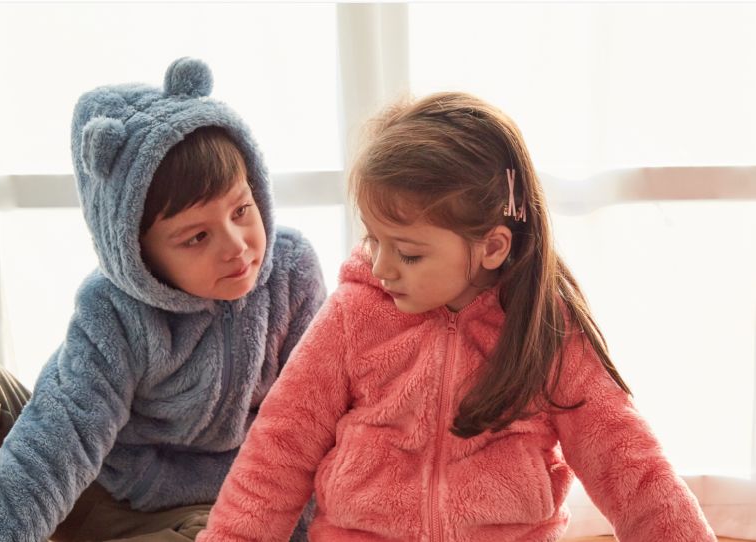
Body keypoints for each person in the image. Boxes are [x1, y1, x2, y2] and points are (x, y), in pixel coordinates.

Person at [196, 92, 716, 542]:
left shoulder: (545, 328)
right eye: (374, 240)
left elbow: (629, 465)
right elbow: (278, 450)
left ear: (492, 247)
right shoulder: (353, 314)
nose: (381, 267)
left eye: (408, 253)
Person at [0, 57, 325, 542]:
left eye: (242, 210)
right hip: (96, 482)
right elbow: (60, 436)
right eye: (197, 237)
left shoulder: (291, 272)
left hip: (205, 507)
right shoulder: (113, 311)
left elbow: (312, 424)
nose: (236, 246)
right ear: (138, 253)